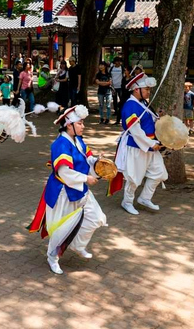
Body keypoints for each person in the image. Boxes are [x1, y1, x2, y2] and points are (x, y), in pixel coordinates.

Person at [27, 105, 107, 275]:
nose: (83, 126)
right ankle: (52, 257)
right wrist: (87, 178)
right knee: (61, 229)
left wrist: (96, 161)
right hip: (63, 192)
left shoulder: (78, 140)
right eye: (80, 123)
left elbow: (87, 157)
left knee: (96, 218)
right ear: (69, 125)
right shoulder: (60, 144)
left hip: (79, 189)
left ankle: (78, 245)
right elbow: (64, 172)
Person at [114, 73, 167, 215]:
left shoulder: (142, 103)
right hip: (137, 146)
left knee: (159, 173)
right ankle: (127, 202)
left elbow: (147, 123)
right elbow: (136, 131)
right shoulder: (130, 106)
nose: (149, 92)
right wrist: (151, 143)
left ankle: (144, 198)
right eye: (147, 89)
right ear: (137, 89)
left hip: (150, 145)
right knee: (134, 177)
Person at [110, 57, 124, 125]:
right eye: (117, 61)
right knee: (114, 99)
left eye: (119, 61)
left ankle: (121, 111)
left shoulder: (122, 68)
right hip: (113, 86)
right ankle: (115, 111)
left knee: (121, 99)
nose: (118, 63)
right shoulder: (112, 68)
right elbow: (110, 76)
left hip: (120, 87)